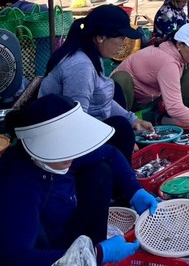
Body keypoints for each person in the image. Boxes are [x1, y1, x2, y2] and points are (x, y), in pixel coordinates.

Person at [0, 95, 159, 265]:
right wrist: (96, 254)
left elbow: (110, 153)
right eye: (62, 147)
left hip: (66, 227)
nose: (71, 153)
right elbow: (15, 258)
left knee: (99, 171)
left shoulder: (60, 157)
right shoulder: (18, 186)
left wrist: (135, 191)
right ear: (40, 146)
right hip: (43, 255)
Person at [38, 5, 153, 162]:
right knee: (120, 128)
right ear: (100, 37)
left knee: (115, 91)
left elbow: (101, 98)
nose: (123, 44)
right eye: (120, 37)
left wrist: (133, 119)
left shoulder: (92, 55)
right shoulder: (80, 66)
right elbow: (77, 120)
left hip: (75, 127)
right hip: (58, 141)